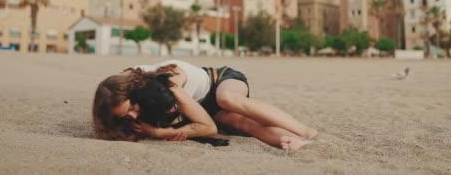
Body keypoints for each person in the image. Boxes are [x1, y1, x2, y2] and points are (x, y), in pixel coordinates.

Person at [92, 60, 318, 150]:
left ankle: (306, 131)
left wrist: (160, 132)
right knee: (239, 122)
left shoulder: (168, 82)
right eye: (125, 116)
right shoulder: (122, 95)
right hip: (206, 109)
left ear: (133, 91)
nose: (133, 116)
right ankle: (292, 142)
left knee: (227, 100)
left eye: (131, 108)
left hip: (221, 81)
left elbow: (207, 128)